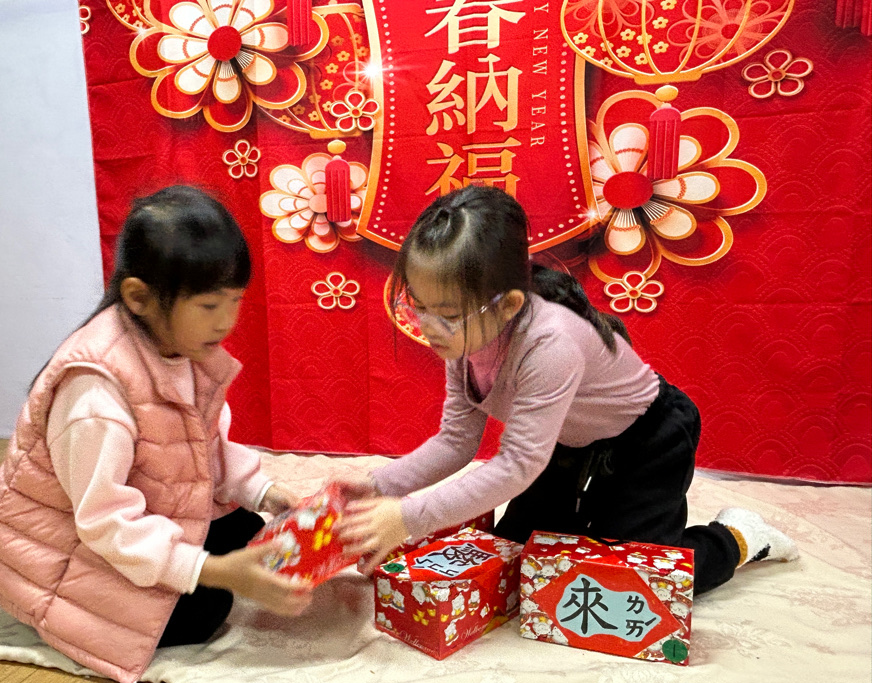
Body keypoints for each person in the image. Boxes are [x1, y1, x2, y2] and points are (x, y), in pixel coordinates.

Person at [338, 186, 797, 593]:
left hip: (648, 438)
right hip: (564, 442)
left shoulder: (550, 341)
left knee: (633, 582)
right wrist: (379, 485)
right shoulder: (465, 338)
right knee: (518, 558)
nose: (427, 326)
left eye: (448, 314)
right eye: (417, 306)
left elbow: (517, 464)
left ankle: (738, 536)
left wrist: (408, 517)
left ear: (509, 305)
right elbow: (456, 442)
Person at [0, 186, 311, 683]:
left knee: (251, 528)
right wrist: (214, 572)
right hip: (66, 557)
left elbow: (201, 449)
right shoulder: (95, 395)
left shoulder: (182, 345)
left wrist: (264, 491)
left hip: (140, 513)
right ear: (139, 297)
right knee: (204, 610)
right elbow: (104, 523)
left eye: (235, 300)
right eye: (209, 305)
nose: (227, 321)